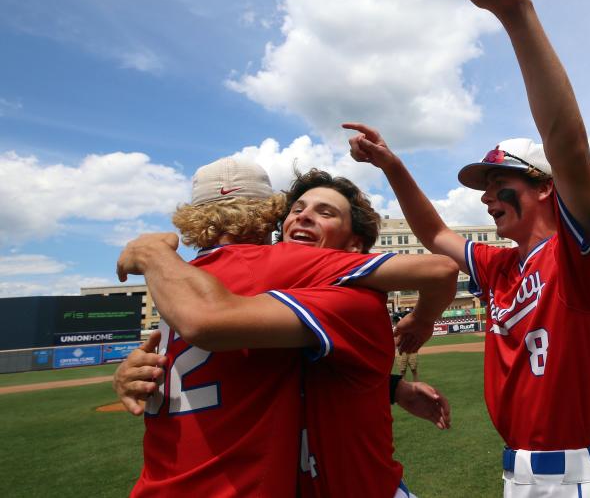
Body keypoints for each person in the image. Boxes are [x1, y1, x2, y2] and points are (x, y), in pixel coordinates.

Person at [342, 0, 590, 497]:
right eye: (484, 190)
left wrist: (514, 12)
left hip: (573, 481)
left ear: (545, 187)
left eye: (503, 187)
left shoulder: (582, 257)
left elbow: (569, 147)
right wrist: (394, 167)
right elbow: (436, 237)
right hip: (517, 476)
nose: (489, 199)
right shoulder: (501, 267)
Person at [114, 160, 458, 497]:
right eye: (296, 208)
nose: (304, 216)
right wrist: (134, 373)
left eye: (326, 213)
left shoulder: (190, 282)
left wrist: (153, 254)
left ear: (355, 248)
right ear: (272, 219)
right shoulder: (256, 286)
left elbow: (204, 320)